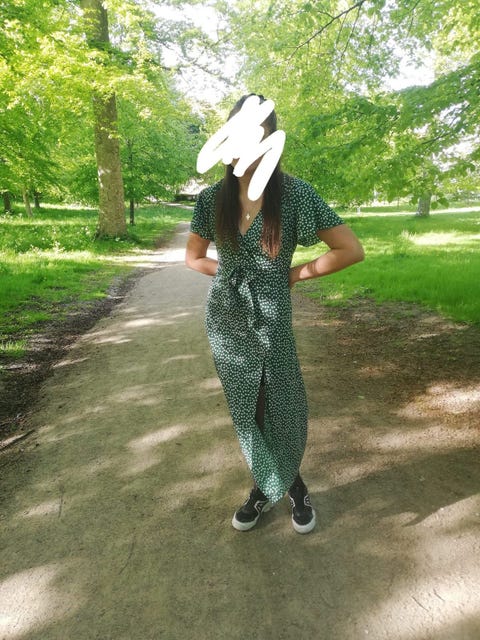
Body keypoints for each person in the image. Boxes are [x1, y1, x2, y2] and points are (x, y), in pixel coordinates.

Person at [185, 94, 364, 534]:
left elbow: (350, 249)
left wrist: (294, 274)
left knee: (283, 399)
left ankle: (287, 484)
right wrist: (231, 274)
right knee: (249, 404)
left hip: (273, 314)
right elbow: (194, 257)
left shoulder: (295, 195)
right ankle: (272, 487)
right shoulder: (211, 199)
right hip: (226, 318)